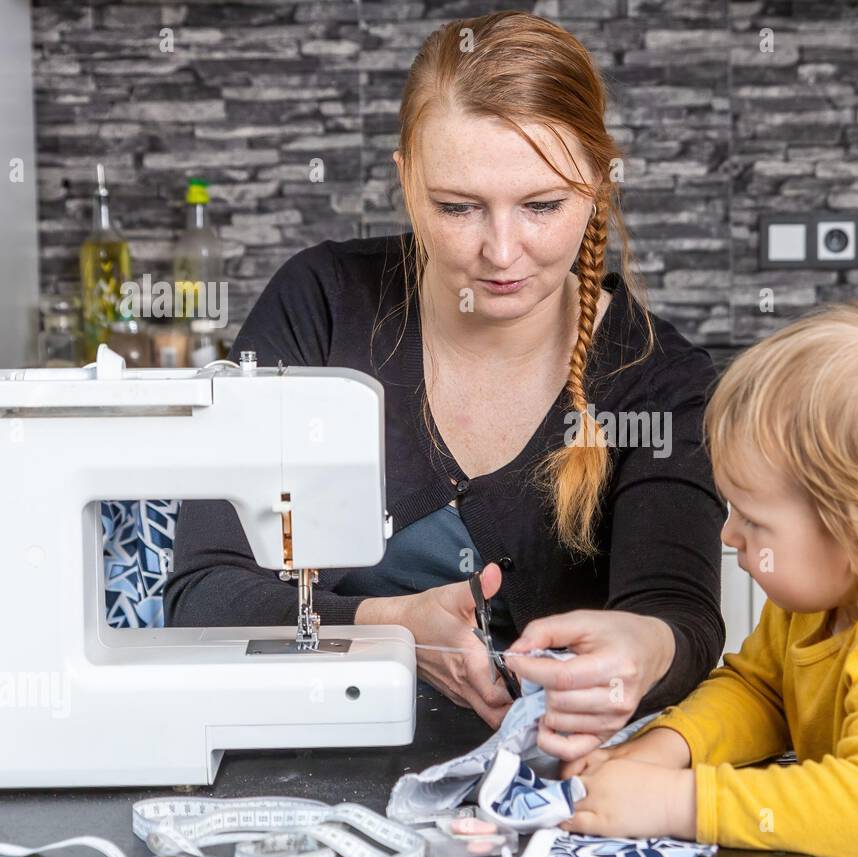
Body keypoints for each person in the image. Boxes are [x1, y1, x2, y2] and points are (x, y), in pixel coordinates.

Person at [165, 11, 726, 760]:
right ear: (406, 182)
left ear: (596, 182)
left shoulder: (658, 381)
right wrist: (385, 623)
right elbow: (201, 592)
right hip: (293, 764)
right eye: (458, 207)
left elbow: (681, 620)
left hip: (547, 795)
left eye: (542, 206)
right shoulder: (321, 305)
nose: (500, 252)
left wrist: (644, 648)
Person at [550, 303, 858, 857]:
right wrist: (667, 749)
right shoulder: (822, 597)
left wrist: (682, 801)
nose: (729, 534)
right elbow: (762, 692)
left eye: (755, 521)